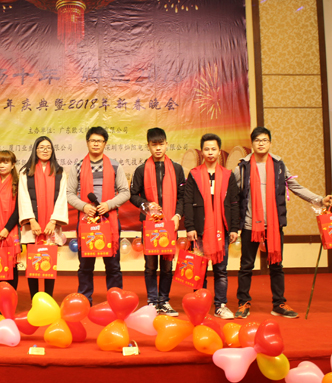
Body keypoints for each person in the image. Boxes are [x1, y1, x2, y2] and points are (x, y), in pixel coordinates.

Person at [233, 127, 332, 319]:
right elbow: (230, 191)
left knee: (276, 265)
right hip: (249, 224)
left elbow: (295, 186)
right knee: (246, 266)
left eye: (264, 140)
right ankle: (243, 302)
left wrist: (320, 200)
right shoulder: (242, 167)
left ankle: (279, 304)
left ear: (270, 143)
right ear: (252, 144)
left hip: (273, 225)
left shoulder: (279, 165)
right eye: (257, 140)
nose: (261, 143)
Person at [67, 126, 130, 305]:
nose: (96, 144)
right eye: (92, 140)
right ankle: (85, 299)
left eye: (99, 141)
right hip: (86, 221)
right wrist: (84, 206)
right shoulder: (78, 166)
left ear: (105, 143)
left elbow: (125, 192)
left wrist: (108, 205)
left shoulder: (115, 165)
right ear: (87, 142)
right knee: (85, 266)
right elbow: (69, 193)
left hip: (109, 221)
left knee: (113, 265)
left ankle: (116, 300)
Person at [184, 133, 240, 319]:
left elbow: (234, 203)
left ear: (219, 151)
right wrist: (190, 227)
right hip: (199, 231)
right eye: (206, 149)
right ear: (201, 151)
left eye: (213, 149)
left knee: (221, 271)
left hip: (221, 230)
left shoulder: (228, 175)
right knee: (199, 271)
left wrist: (234, 228)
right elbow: (187, 202)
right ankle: (199, 306)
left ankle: (220, 306)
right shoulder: (194, 175)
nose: (210, 152)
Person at [130, 127, 184, 316]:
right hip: (150, 224)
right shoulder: (141, 170)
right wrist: (146, 204)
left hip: (170, 223)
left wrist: (177, 215)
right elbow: (132, 195)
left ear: (167, 144)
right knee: (151, 265)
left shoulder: (176, 169)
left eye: (161, 144)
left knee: (167, 266)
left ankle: (164, 300)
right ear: (148, 146)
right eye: (154, 145)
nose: (158, 148)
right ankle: (153, 301)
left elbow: (182, 197)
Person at [18, 136, 68, 298]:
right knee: (32, 262)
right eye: (41, 147)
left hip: (51, 226)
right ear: (35, 150)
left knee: (49, 262)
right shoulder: (25, 172)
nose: (45, 150)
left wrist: (53, 221)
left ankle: (48, 298)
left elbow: (62, 197)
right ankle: (34, 298)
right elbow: (23, 197)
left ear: (52, 151)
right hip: (32, 226)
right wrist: (32, 220)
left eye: (48, 147)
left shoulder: (60, 172)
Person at [0, 150, 21, 290]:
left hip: (10, 230)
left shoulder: (18, 183)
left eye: (6, 162)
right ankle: (0, 296)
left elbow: (19, 209)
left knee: (11, 264)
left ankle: (11, 296)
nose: (2, 165)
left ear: (13, 165)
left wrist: (7, 229)